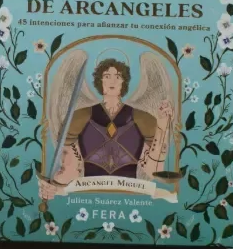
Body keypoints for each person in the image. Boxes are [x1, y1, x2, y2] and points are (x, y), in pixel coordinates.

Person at [38, 58, 173, 200]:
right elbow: (70, 169)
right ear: (100, 81)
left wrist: (162, 125)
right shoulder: (80, 116)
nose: (112, 81)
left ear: (124, 81)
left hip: (130, 193)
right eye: (107, 76)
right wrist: (53, 187)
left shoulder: (143, 118)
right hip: (89, 194)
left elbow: (153, 170)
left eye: (118, 76)